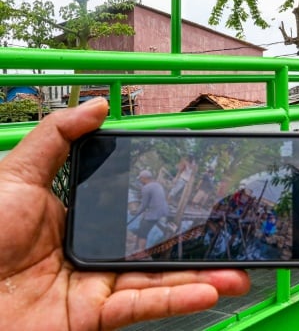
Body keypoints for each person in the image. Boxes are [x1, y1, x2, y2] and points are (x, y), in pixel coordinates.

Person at [0, 97, 250, 329]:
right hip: (164, 215)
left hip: (157, 216)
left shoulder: (157, 185)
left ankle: (141, 253)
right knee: (156, 230)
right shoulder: (163, 183)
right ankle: (147, 252)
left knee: (143, 229)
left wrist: (138, 212)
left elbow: (144, 208)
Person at [135, 169, 170, 253]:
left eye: (140, 179)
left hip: (154, 214)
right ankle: (137, 247)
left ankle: (141, 251)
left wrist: (136, 213)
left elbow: (144, 205)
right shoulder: (158, 185)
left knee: (143, 231)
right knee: (142, 223)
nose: (140, 180)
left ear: (144, 178)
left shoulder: (146, 188)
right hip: (164, 212)